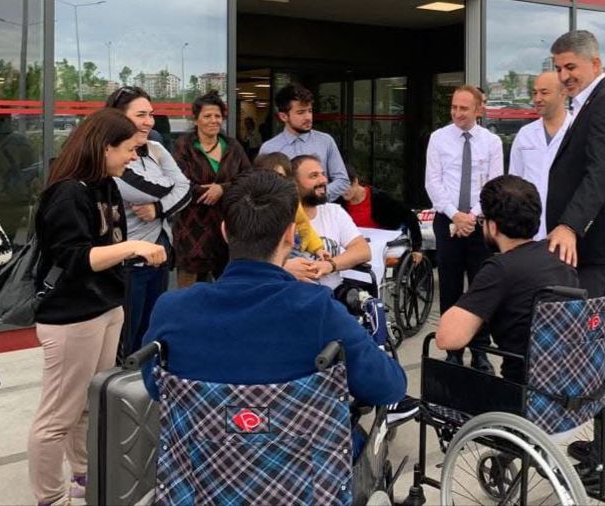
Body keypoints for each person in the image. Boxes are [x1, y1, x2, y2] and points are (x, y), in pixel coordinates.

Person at [141, 170, 406, 454]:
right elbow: (387, 387)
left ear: (225, 232)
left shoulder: (172, 310)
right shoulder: (319, 311)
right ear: (291, 235)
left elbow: (154, 387)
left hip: (200, 469)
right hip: (303, 470)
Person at [27, 109, 166, 506]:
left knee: (90, 405)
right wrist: (133, 247)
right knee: (59, 416)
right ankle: (51, 498)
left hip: (105, 308)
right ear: (105, 147)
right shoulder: (67, 193)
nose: (132, 158)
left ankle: (84, 477)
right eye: (128, 149)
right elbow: (74, 257)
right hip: (71, 317)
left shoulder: (106, 186)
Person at [545, 30, 605, 489]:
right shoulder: (590, 101)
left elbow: (600, 172)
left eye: (570, 67)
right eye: (558, 67)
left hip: (597, 249)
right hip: (592, 248)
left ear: (594, 63)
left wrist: (570, 224)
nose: (564, 75)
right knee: (600, 349)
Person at [436, 174, 578, 382]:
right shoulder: (560, 256)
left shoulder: (500, 269)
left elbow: (447, 338)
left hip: (523, 387)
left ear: (493, 227)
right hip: (572, 380)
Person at [105, 86, 192, 354]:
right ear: (118, 117)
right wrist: (170, 189)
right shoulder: (112, 156)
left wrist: (158, 208)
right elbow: (155, 189)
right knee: (126, 344)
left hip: (159, 257)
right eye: (140, 115)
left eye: (151, 114)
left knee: (152, 337)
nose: (149, 122)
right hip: (128, 264)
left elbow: (187, 189)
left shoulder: (155, 148)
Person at [425, 84, 504, 373]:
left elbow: (494, 183)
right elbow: (433, 181)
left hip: (479, 223)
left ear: (478, 110)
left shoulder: (491, 142)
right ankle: (453, 350)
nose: (457, 113)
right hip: (448, 219)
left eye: (464, 108)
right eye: (454, 107)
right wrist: (455, 215)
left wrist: (471, 217)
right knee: (449, 286)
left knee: (481, 286)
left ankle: (480, 349)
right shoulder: (438, 138)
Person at [173, 90, 251, 287]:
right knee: (189, 292)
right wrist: (207, 192)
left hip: (226, 228)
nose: (214, 120)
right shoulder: (184, 146)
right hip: (192, 229)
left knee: (228, 286)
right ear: (196, 119)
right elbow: (179, 182)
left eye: (217, 116)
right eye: (207, 116)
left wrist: (223, 189)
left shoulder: (233, 147)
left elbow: (249, 178)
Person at [508, 71, 573, 240]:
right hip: (530, 231)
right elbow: (515, 181)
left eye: (544, 92)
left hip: (568, 229)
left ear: (563, 93)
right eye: (534, 92)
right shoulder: (525, 134)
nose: (537, 99)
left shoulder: (577, 130)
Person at [291, 154, 371, 289]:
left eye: (323, 174)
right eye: (314, 176)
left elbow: (363, 250)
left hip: (333, 295)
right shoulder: (279, 215)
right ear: (294, 183)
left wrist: (330, 265)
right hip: (294, 294)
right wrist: (285, 267)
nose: (323, 180)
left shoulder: (334, 212)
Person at [259, 83, 350, 201]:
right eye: (301, 112)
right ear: (283, 117)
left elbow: (342, 180)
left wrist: (316, 197)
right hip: (285, 211)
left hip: (320, 208)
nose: (308, 117)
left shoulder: (325, 141)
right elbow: (263, 188)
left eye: (310, 111)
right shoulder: (269, 148)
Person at [340, 164, 423, 263]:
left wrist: (416, 248)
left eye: (346, 186)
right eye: (339, 188)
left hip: (379, 247)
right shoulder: (338, 202)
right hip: (351, 247)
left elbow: (409, 216)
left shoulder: (379, 198)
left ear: (355, 181)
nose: (343, 192)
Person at [253, 151, 328, 260]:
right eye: (272, 177)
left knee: (310, 261)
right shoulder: (256, 205)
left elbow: (305, 226)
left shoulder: (293, 201)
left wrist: (318, 249)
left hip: (295, 248)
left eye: (283, 177)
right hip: (270, 254)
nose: (277, 182)